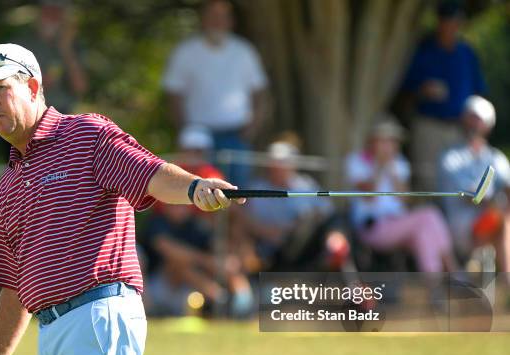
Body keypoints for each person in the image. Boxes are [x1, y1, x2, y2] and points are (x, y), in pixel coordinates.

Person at [0, 43, 243, 355]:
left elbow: (149, 174)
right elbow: (13, 285)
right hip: (53, 331)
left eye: (0, 88)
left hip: (96, 316)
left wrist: (195, 187)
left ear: (34, 86)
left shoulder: (84, 134)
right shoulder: (7, 186)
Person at [142, 125, 253, 317]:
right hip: (164, 276)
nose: (194, 154)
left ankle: (242, 305)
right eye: (190, 149)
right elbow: (166, 247)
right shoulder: (170, 175)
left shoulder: (212, 175)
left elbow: (228, 216)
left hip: (201, 244)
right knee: (178, 263)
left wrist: (235, 250)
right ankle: (220, 301)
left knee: (230, 260)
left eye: (199, 150)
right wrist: (212, 262)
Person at [162, 0, 268, 188]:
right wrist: (184, 130)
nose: (217, 21)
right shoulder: (185, 52)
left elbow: (259, 92)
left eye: (222, 16)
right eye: (212, 16)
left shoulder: (244, 51)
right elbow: (173, 95)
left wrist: (251, 129)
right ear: (203, 19)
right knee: (198, 191)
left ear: (231, 21)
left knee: (238, 192)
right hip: (197, 136)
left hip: (236, 134)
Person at [345, 116, 456, 273]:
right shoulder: (357, 161)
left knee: (424, 234)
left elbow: (404, 198)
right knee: (430, 215)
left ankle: (436, 290)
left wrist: (390, 168)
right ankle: (454, 271)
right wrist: (379, 165)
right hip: (372, 228)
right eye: (384, 140)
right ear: (373, 141)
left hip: (397, 223)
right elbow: (369, 194)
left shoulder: (400, 163)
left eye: (392, 141)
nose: (389, 145)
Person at [400, 0, 486, 189]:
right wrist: (423, 90)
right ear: (440, 22)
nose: (452, 26)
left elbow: (478, 93)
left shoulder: (466, 53)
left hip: (459, 128)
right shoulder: (424, 50)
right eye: (448, 21)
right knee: (427, 182)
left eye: (456, 21)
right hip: (428, 126)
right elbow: (405, 91)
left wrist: (476, 128)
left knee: (459, 184)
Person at [241, 134, 351, 272]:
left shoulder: (305, 185)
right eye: (275, 163)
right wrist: (270, 232)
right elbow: (245, 222)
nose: (278, 167)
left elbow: (328, 212)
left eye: (283, 163)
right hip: (271, 250)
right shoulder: (256, 189)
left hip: (304, 245)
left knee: (337, 225)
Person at [438, 96, 510, 274]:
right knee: (503, 222)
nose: (473, 123)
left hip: (491, 226)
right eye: (470, 117)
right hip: (462, 231)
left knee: (503, 221)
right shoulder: (450, 157)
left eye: (477, 118)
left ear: (487, 124)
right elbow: (473, 198)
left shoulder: (496, 157)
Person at [14, 0, 88, 113]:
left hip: (62, 113)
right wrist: (38, 84)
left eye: (57, 11)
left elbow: (80, 87)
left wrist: (66, 49)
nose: (52, 15)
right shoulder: (22, 43)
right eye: (48, 10)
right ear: (40, 12)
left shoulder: (74, 45)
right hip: (29, 111)